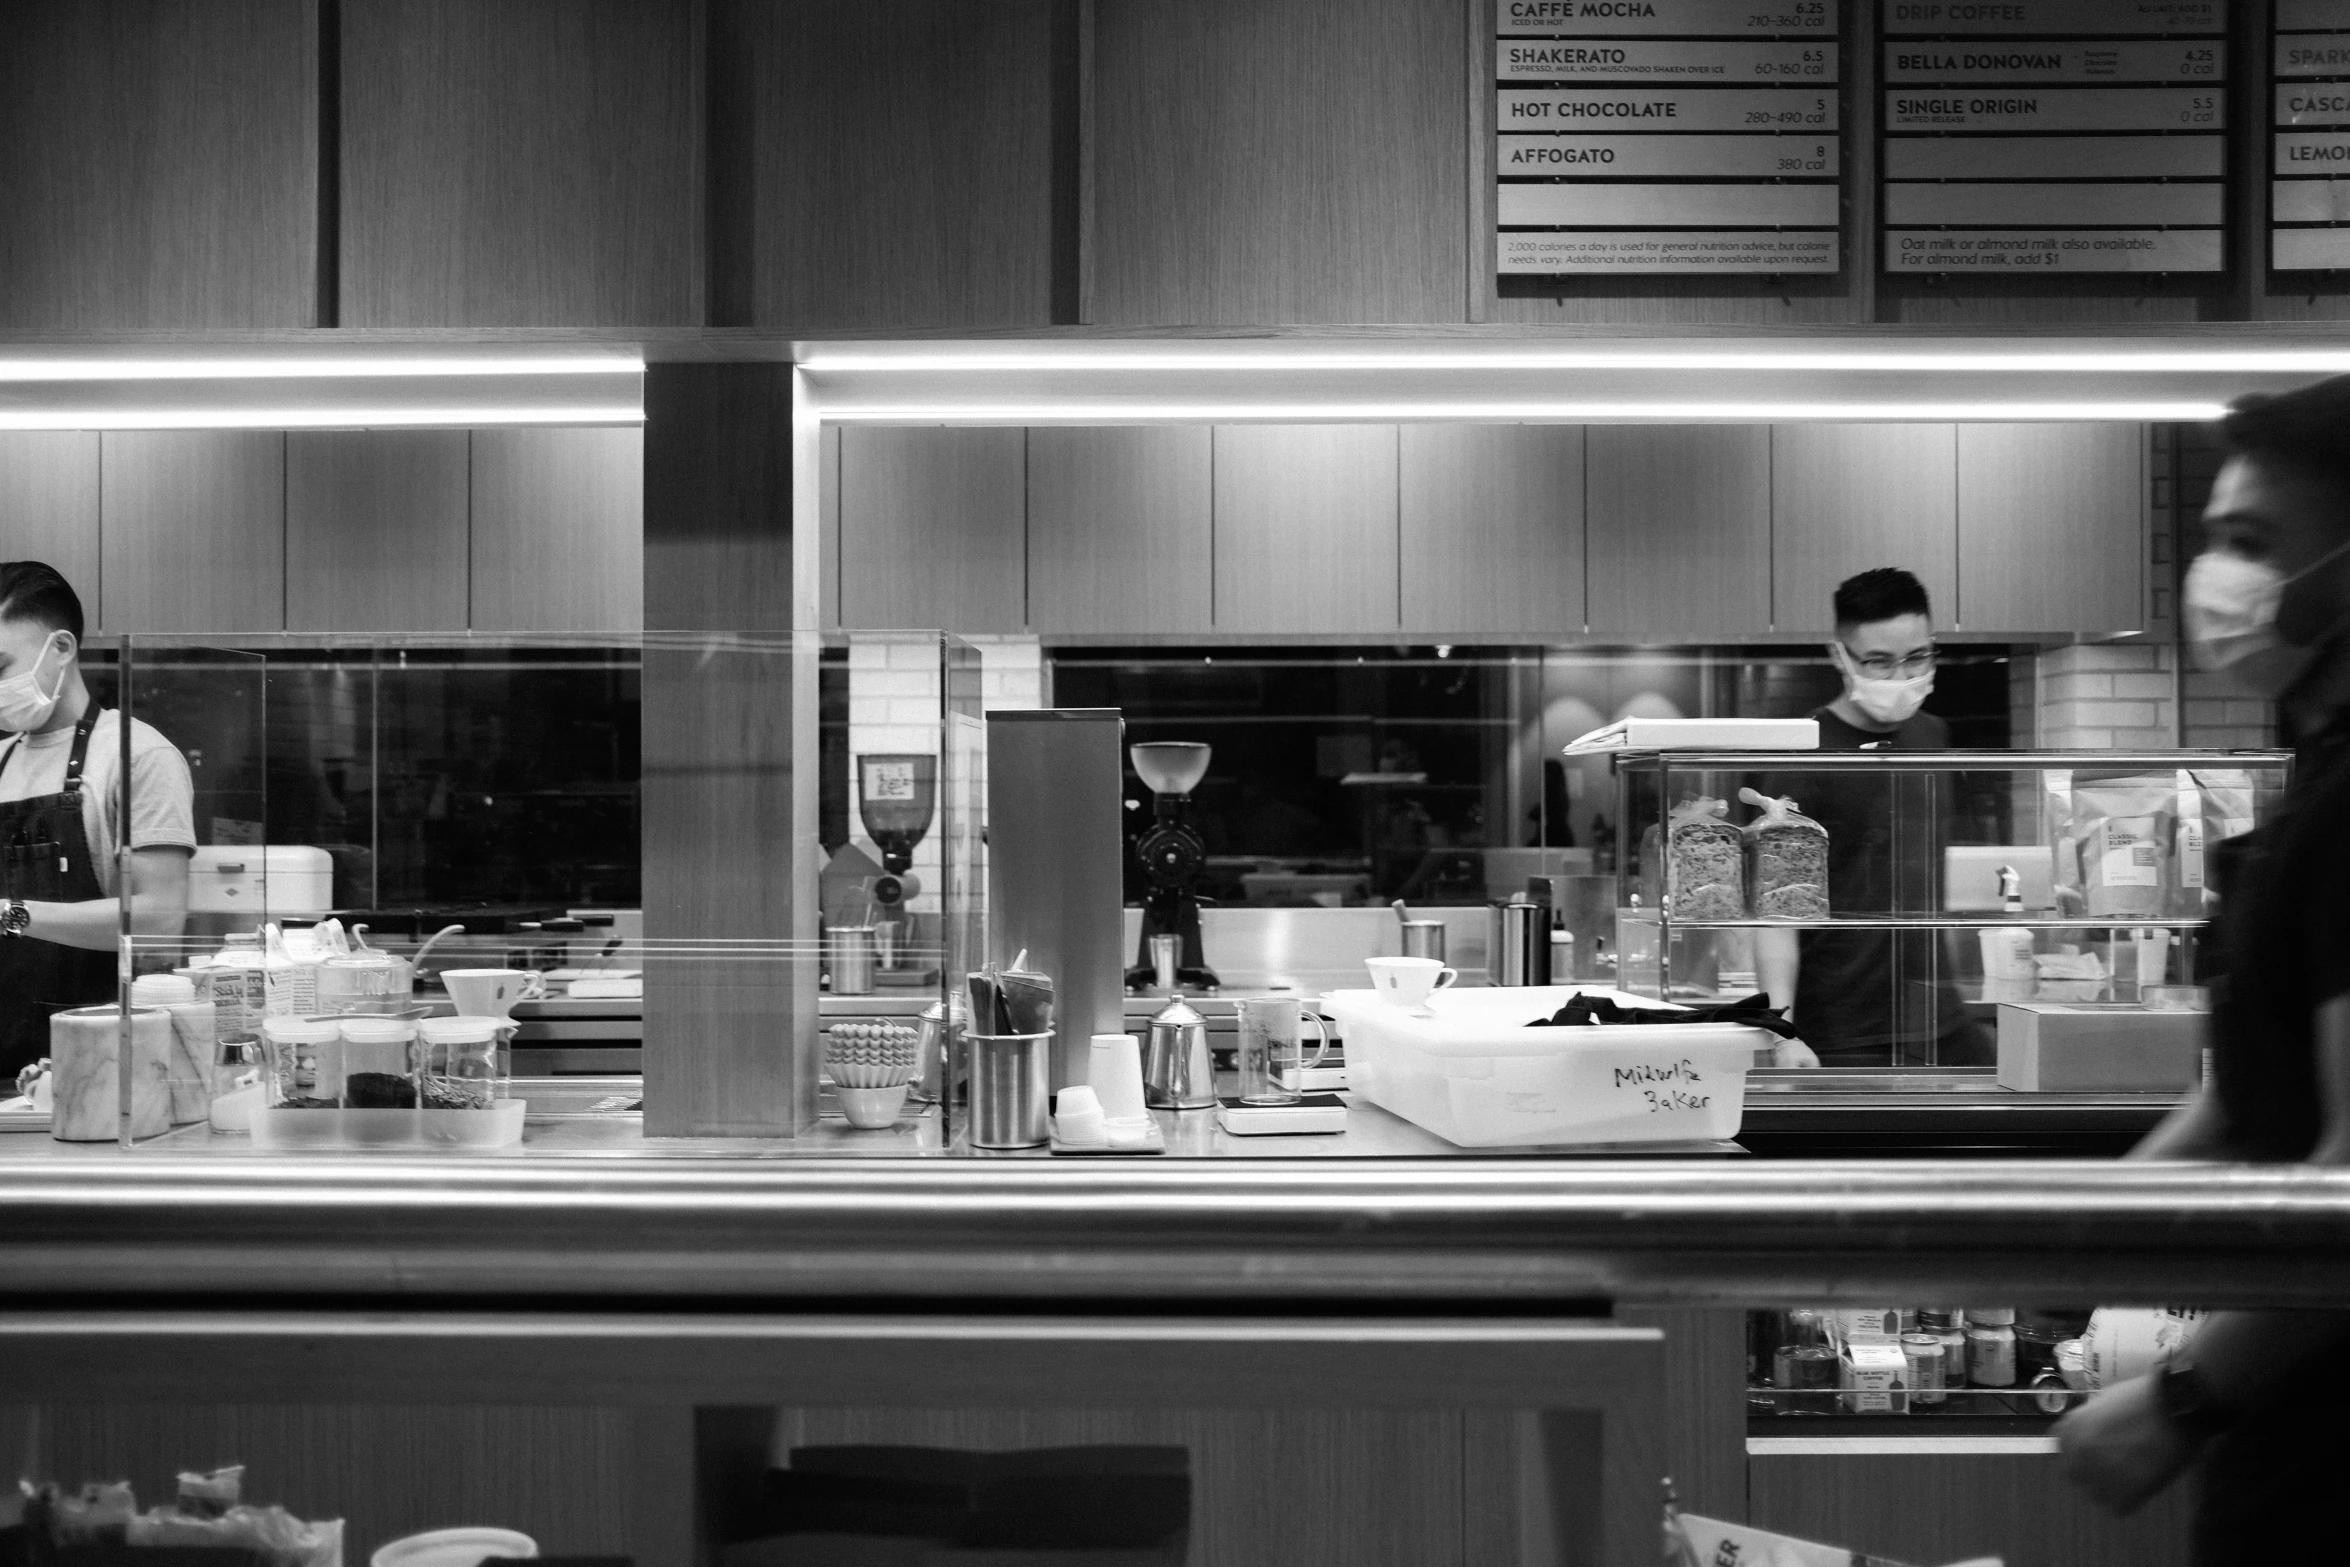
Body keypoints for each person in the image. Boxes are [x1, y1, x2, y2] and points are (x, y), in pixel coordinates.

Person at [2057, 378, 2350, 1565]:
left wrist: (2182, 1400)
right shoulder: (2319, 780)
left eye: (2250, 542)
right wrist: (2043, 1249)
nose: (2214, 581)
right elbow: (2246, 1096)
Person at [1755, 568, 1983, 1066]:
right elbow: (1777, 917)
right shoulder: (1803, 754)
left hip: (1939, 1020)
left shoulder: (1933, 736)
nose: (1901, 678)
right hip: (1842, 1031)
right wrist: (1782, 1032)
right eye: (1879, 662)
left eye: (1917, 658)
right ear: (1839, 656)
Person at [0, 562, 195, 1078]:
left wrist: (10, 915)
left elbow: (159, 918)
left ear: (61, 648)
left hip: (100, 1066)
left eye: (0, 666)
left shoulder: (137, 756)